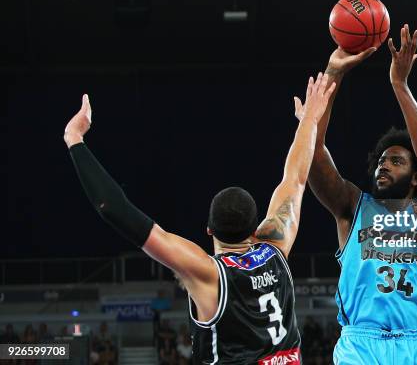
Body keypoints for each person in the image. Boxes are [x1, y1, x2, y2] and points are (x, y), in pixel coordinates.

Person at [64, 73, 336, 364]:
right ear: (256, 230)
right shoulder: (276, 248)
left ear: (209, 230)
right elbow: (295, 178)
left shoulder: (209, 274)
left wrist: (74, 139)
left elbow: (114, 208)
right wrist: (309, 120)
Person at [304, 24, 417, 364]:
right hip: (360, 344)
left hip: (415, 345)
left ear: (415, 178)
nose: (383, 166)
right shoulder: (352, 206)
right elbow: (312, 155)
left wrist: (400, 85)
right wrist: (334, 72)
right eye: (381, 161)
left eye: (397, 161)